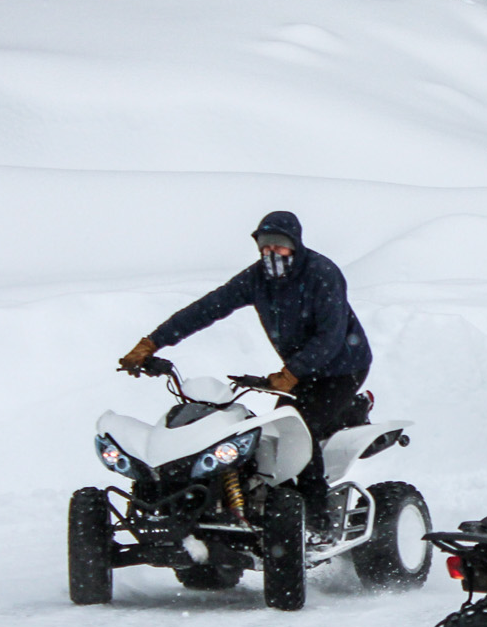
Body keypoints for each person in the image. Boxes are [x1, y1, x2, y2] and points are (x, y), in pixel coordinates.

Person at [118, 210, 372, 528]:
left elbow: (331, 336)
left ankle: (319, 519)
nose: (271, 253)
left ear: (296, 244)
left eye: (279, 246)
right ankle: (272, 509)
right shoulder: (257, 279)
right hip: (300, 370)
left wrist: (293, 373)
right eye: (265, 246)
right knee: (277, 435)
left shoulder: (322, 274)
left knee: (299, 433)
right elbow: (207, 308)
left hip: (343, 367)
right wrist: (152, 343)